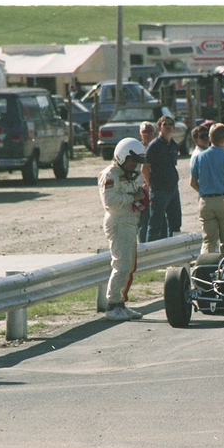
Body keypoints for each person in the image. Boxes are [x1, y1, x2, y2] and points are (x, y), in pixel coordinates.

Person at [98, 138, 148, 322]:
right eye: (132, 161)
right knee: (121, 265)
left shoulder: (127, 175)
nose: (134, 165)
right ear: (122, 156)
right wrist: (133, 197)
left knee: (129, 265)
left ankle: (120, 303)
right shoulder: (110, 174)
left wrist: (138, 199)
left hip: (129, 222)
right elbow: (110, 201)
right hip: (118, 222)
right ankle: (112, 306)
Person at [189, 123, 224, 254]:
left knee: (208, 240)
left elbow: (192, 183)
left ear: (210, 138)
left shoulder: (199, 157)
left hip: (206, 202)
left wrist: (204, 192)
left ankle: (206, 264)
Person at [142, 116, 182, 242]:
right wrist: (151, 185)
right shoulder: (154, 145)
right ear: (159, 128)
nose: (168, 126)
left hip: (173, 189)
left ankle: (174, 250)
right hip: (159, 190)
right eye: (165, 124)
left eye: (170, 124)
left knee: (175, 224)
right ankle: (150, 251)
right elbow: (144, 168)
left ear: (174, 128)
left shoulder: (174, 145)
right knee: (155, 224)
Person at [136, 121, 157, 244]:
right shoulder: (136, 149)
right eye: (144, 132)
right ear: (140, 134)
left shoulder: (159, 148)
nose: (147, 134)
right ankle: (143, 247)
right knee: (142, 223)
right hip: (140, 192)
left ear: (155, 134)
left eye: (150, 131)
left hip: (157, 190)